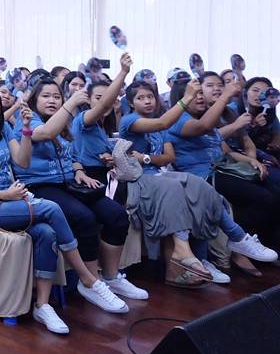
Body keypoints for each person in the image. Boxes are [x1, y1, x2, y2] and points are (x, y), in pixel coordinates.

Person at [0, 83, 126, 335]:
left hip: (11, 201)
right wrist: (4, 194)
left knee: (47, 232)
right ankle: (88, 279)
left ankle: (42, 305)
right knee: (52, 209)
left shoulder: (4, 131)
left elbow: (22, 161)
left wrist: (25, 131)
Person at [117, 76, 276, 285]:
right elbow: (163, 124)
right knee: (178, 187)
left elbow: (168, 157)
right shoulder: (130, 120)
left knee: (200, 186)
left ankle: (238, 238)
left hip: (158, 174)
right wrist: (187, 98)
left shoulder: (161, 127)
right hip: (139, 178)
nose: (147, 101)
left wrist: (146, 157)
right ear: (131, 103)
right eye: (141, 98)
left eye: (150, 96)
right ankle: (189, 253)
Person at [15, 77, 146, 304]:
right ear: (34, 100)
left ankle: (111, 276)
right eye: (46, 96)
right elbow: (45, 133)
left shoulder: (64, 123)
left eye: (57, 97)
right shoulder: (28, 121)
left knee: (117, 215)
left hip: (68, 183)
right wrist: (71, 103)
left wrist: (78, 170)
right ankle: (91, 283)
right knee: (84, 217)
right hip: (40, 185)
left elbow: (71, 154)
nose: (52, 101)